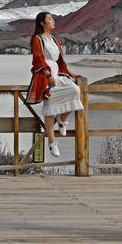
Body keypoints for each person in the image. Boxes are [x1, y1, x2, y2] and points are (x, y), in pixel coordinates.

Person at [25, 11, 83, 158]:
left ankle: (62, 120)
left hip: (57, 73)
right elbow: (38, 59)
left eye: (53, 18)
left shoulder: (55, 40)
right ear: (42, 23)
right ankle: (52, 143)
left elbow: (60, 61)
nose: (53, 21)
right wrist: (48, 75)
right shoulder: (37, 39)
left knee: (75, 91)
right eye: (50, 19)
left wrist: (70, 73)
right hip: (46, 76)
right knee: (50, 108)